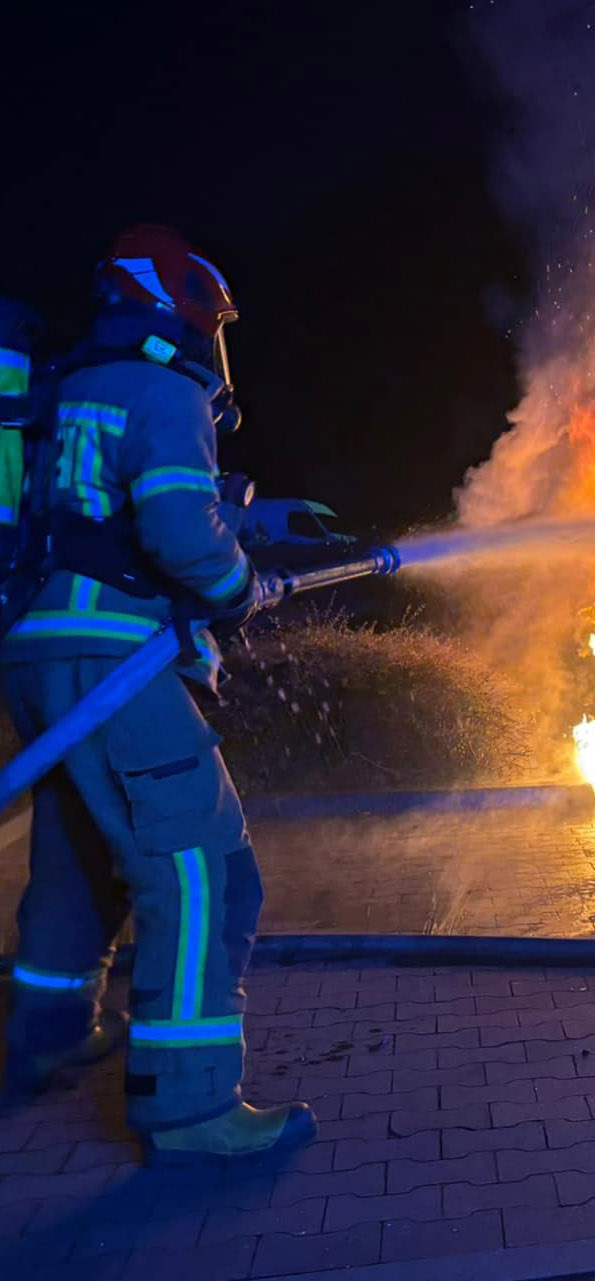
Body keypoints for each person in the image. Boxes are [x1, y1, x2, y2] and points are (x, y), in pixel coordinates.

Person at [0, 225, 313, 1164]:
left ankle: (44, 1037)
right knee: (201, 866)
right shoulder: (164, 385)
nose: (211, 347)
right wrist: (234, 585)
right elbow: (179, 529)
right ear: (169, 307)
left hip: (40, 649)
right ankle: (188, 1105)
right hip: (115, 657)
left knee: (78, 855)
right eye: (205, 323)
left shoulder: (67, 387)